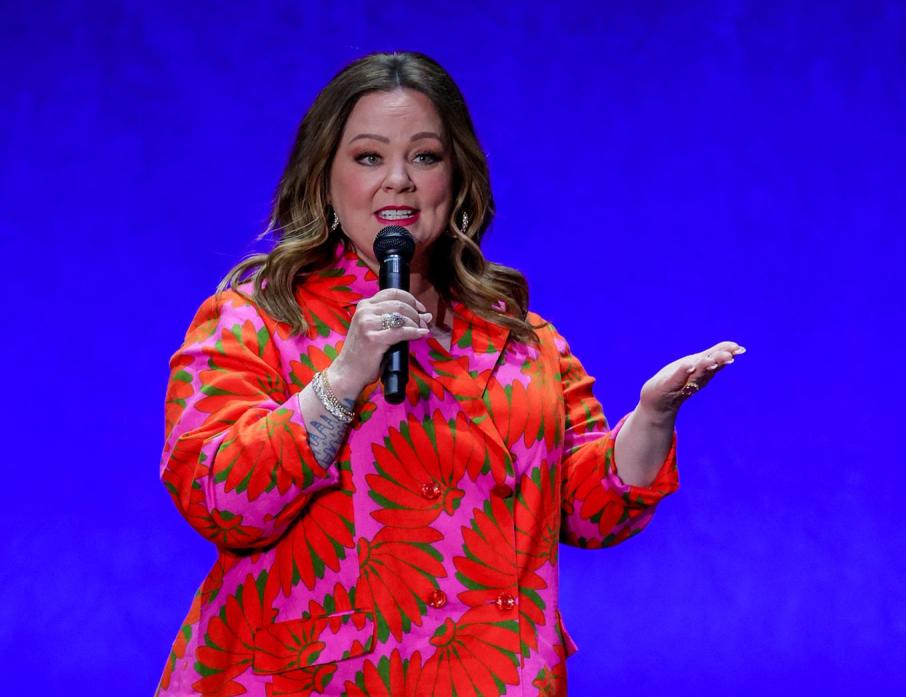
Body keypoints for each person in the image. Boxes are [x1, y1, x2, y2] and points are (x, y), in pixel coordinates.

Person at [157, 51, 745, 697]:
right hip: (310, 678)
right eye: (369, 157)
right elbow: (221, 503)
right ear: (325, 178)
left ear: (457, 178)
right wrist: (345, 375)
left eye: (426, 156)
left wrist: (654, 418)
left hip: (492, 676)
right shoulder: (254, 318)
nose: (399, 181)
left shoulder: (521, 337)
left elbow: (590, 512)